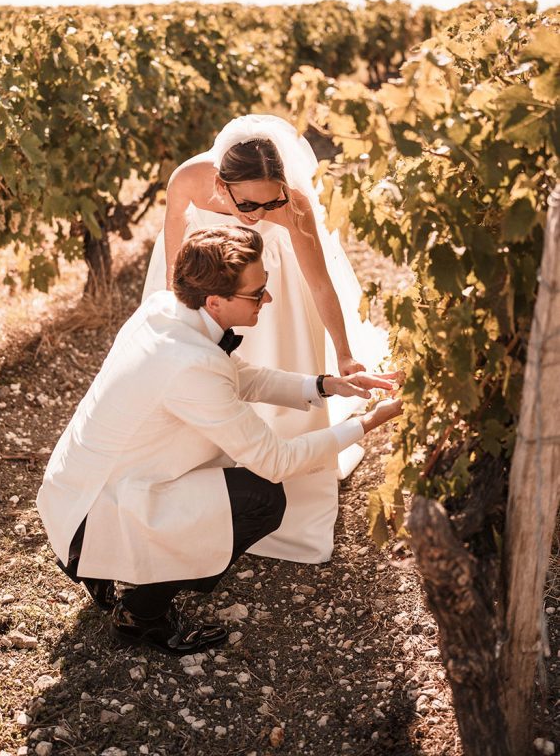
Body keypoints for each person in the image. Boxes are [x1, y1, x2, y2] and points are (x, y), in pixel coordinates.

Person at [37, 225, 401, 656]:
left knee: (232, 480)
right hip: (90, 519)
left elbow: (239, 375)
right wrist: (366, 423)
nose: (268, 299)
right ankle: (140, 615)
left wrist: (326, 385)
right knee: (263, 499)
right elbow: (277, 461)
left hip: (72, 495)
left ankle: (102, 565)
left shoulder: (165, 310)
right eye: (257, 293)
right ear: (215, 302)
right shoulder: (190, 364)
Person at [142, 113, 388, 563]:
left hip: (277, 302)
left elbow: (320, 284)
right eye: (248, 204)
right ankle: (211, 500)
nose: (257, 216)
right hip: (211, 300)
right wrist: (186, 324)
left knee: (282, 398)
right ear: (221, 184)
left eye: (268, 203)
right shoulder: (188, 181)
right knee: (208, 395)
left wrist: (344, 353)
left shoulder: (291, 204)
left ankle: (286, 500)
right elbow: (173, 263)